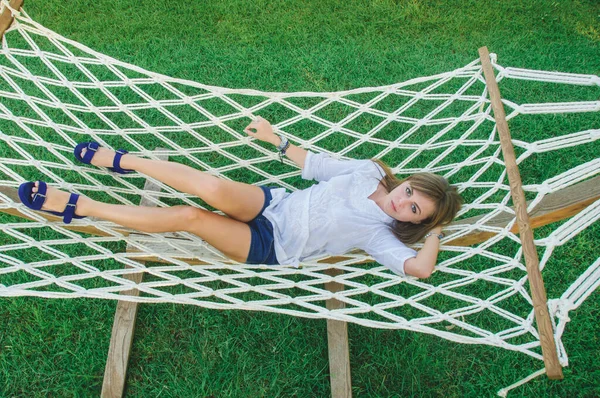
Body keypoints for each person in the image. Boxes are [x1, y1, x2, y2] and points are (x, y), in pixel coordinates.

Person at [18, 117, 461, 278]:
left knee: (189, 217)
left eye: (415, 209)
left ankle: (80, 207)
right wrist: (277, 140)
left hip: (273, 245)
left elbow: (419, 269)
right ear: (404, 182)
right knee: (209, 187)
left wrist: (435, 232)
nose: (403, 203)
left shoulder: (382, 233)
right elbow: (316, 166)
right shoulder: (368, 171)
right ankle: (122, 160)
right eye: (408, 193)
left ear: (417, 220)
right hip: (274, 205)